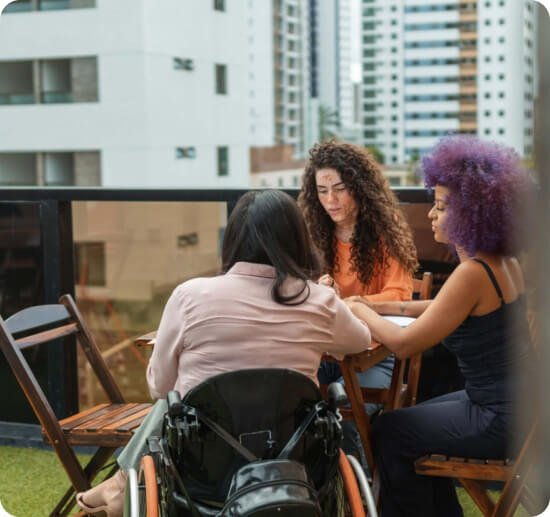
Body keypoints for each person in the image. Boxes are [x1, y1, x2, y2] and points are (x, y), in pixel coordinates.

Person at [76, 189, 371, 516]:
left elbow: (159, 388)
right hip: (294, 463)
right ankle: (117, 485)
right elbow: (361, 341)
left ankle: (119, 484)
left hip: (205, 471)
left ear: (232, 241)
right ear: (297, 241)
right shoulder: (319, 300)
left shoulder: (189, 296)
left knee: (174, 402)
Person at [346, 135, 534, 516]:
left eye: (442, 206)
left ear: (471, 214)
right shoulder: (500, 262)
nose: (431, 214)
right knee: (406, 422)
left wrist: (359, 312)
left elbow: (403, 345)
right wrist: (378, 304)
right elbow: (442, 307)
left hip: (499, 419)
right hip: (520, 408)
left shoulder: (473, 273)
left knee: (390, 431)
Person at [298, 140, 418, 461]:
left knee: (346, 415)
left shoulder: (385, 235)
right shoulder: (313, 234)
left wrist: (348, 301)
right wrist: (316, 289)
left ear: (361, 188)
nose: (330, 200)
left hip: (377, 356)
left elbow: (399, 297)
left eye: (340, 189)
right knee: (289, 400)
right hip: (324, 351)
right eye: (322, 191)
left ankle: (360, 486)